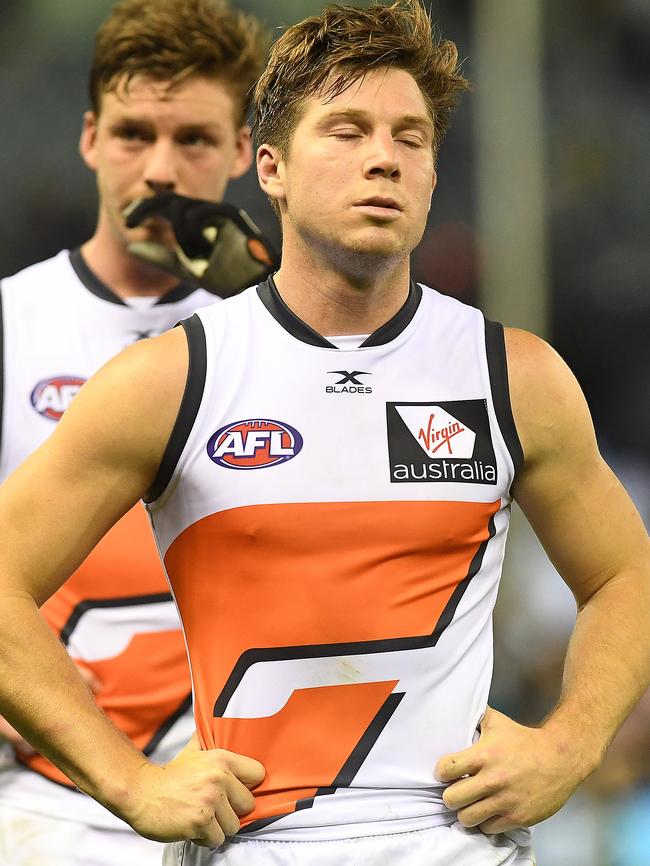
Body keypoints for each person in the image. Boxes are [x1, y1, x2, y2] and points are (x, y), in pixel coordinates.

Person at [0, 1, 648, 865]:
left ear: (431, 176)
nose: (383, 157)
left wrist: (570, 742)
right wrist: (126, 781)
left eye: (410, 138)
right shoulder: (172, 378)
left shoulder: (514, 375)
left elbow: (626, 574)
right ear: (268, 166)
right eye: (346, 130)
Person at [0, 0, 268, 863]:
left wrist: (266, 285)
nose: (160, 168)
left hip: (262, 796)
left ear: (240, 152)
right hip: (55, 800)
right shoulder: (12, 324)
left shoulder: (281, 333)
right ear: (88, 138)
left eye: (192, 139)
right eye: (132, 134)